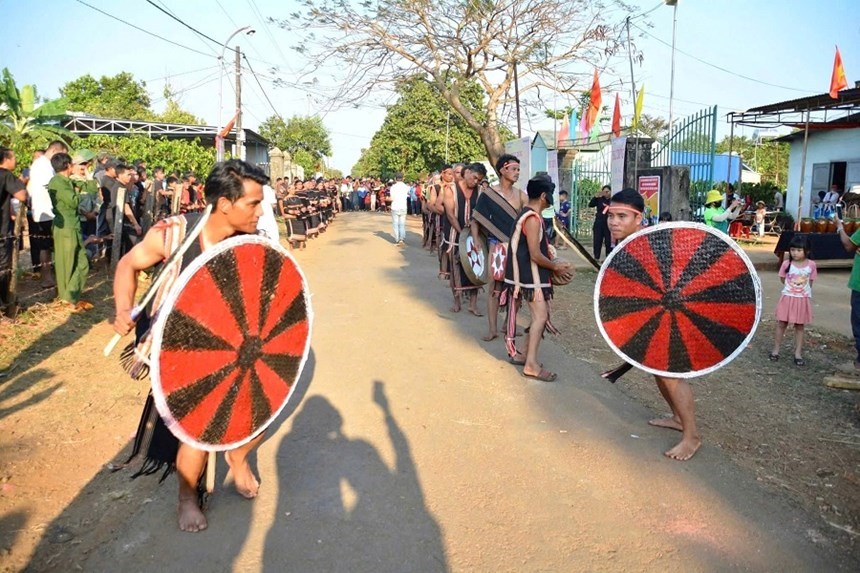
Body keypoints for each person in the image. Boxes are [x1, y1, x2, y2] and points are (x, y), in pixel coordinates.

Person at [113, 159, 269, 532]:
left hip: (235, 347)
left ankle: (238, 455)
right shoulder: (171, 234)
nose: (261, 211)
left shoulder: (253, 244)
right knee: (198, 427)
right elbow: (127, 266)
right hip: (180, 350)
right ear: (225, 204)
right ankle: (186, 496)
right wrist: (122, 308)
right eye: (253, 203)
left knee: (262, 409)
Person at [606, 188, 701, 460]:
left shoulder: (654, 243)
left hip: (676, 317)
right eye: (611, 215)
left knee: (670, 373)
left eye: (622, 216)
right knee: (657, 370)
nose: (614, 222)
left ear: (638, 219)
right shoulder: (627, 242)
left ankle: (692, 436)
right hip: (655, 317)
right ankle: (677, 417)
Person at [503, 174, 572, 382]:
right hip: (530, 277)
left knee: (537, 317)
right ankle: (531, 365)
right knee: (540, 317)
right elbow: (534, 254)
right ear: (544, 196)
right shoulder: (532, 218)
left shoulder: (528, 214)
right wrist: (556, 267)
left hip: (527, 275)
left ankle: (525, 355)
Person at [471, 154, 523, 341]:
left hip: (516, 248)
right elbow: (476, 219)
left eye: (518, 169)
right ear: (503, 170)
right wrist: (476, 241)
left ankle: (508, 322)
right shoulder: (489, 194)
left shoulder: (520, 195)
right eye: (514, 169)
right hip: (496, 246)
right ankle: (492, 328)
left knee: (517, 286)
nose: (517, 173)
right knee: (494, 286)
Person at [47, 152, 92, 309]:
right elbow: (73, 202)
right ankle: (66, 297)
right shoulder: (58, 182)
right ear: (67, 166)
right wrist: (80, 192)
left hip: (74, 226)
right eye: (74, 164)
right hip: (65, 227)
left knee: (82, 263)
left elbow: (92, 188)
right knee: (66, 263)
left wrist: (87, 174)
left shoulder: (68, 181)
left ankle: (69, 296)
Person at [443, 162, 483, 315]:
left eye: (479, 180)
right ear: (467, 173)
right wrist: (461, 234)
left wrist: (472, 235)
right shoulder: (450, 190)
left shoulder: (480, 191)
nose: (476, 182)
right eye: (474, 178)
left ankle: (473, 304)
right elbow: (450, 215)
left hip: (474, 234)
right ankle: (457, 301)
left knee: (475, 266)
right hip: (454, 233)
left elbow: (478, 215)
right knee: (456, 267)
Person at [770, 235, 815, 366]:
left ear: (807, 251)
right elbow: (782, 278)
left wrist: (801, 291)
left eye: (799, 250)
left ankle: (798, 353)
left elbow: (810, 282)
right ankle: (776, 350)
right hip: (787, 298)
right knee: (781, 323)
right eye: (793, 249)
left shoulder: (811, 265)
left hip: (802, 300)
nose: (795, 253)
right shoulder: (786, 264)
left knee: (799, 326)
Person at [28, 140, 68, 287]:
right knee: (47, 246)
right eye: (61, 155)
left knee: (49, 245)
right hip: (46, 211)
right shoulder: (43, 166)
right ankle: (47, 277)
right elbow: (52, 187)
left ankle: (52, 275)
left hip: (45, 211)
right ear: (54, 151)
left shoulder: (42, 164)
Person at [0, 147, 28, 316]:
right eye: (14, 157)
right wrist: (23, 181)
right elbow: (22, 195)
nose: (16, 161)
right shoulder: (6, 175)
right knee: (2, 266)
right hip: (1, 230)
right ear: (6, 159)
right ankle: (4, 302)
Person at [588, 185, 611, 259]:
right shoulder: (599, 199)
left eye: (607, 192)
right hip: (599, 222)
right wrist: (595, 197)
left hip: (609, 223)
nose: (606, 193)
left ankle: (609, 257)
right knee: (597, 240)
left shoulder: (613, 200)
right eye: (604, 192)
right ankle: (596, 257)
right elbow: (590, 205)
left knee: (609, 241)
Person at [389, 172, 409, 245]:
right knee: (402, 224)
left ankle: (397, 239)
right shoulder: (406, 187)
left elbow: (392, 198)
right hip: (403, 206)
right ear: (403, 178)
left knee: (395, 223)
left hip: (395, 206)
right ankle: (401, 239)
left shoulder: (393, 187)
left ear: (395, 178)